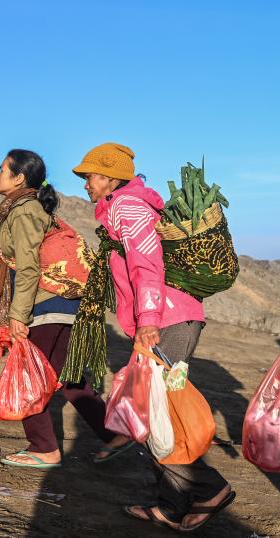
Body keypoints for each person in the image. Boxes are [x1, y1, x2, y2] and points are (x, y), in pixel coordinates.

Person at [74, 143, 234, 532]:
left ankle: (210, 489)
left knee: (155, 414)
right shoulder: (120, 207)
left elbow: (147, 264)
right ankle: (172, 504)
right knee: (153, 414)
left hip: (168, 320)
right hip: (164, 318)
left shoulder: (128, 208)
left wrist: (148, 319)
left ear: (111, 177)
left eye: (91, 176)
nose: (85, 183)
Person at [0, 149, 131, 469]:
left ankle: (43, 448)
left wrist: (17, 317)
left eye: (1, 169)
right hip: (67, 304)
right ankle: (114, 434)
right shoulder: (36, 208)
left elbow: (28, 270)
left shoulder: (23, 210)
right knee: (69, 377)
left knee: (30, 377)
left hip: (45, 305)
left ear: (19, 178)